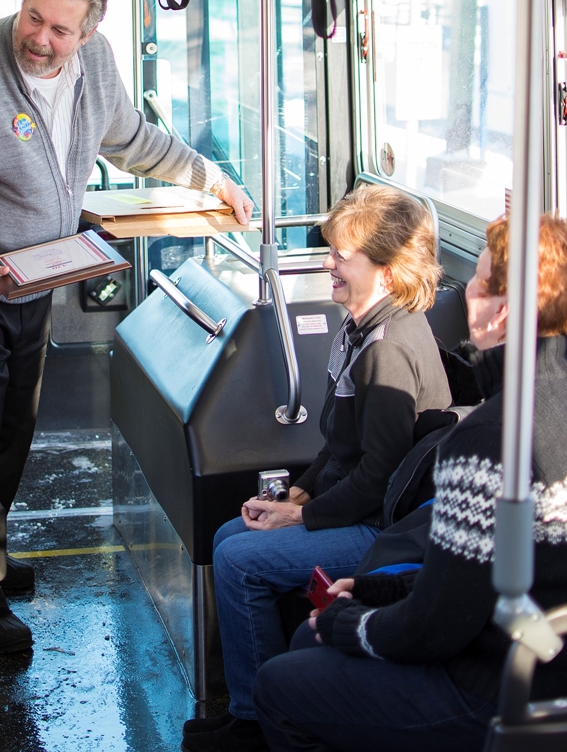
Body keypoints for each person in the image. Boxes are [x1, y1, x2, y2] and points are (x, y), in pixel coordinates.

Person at [0, 0, 254, 653]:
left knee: (12, 432)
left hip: (33, 282)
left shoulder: (95, 66)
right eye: (32, 17)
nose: (39, 38)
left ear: (89, 32)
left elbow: (131, 140)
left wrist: (208, 176)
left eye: (59, 30)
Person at [253, 214, 567, 752]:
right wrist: (373, 591)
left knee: (279, 685)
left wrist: (350, 624)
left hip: (511, 688)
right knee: (309, 637)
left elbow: (437, 627)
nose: (467, 296)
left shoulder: (489, 439)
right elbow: (480, 577)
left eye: (479, 284)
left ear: (502, 312)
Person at [186, 183, 450, 752]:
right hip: (359, 505)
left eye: (341, 256)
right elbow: (338, 440)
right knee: (230, 534)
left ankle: (257, 719)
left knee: (237, 561)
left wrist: (300, 520)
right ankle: (249, 700)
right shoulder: (360, 326)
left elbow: (379, 478)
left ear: (386, 271)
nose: (329, 265)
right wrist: (298, 495)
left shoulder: (387, 350)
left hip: (384, 527)